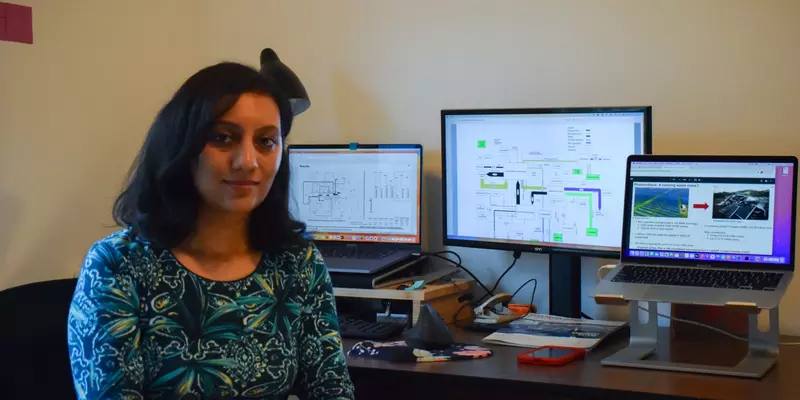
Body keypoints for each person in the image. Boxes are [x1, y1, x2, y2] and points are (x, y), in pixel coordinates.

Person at [66, 62, 355, 400]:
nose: (248, 161)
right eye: (223, 137)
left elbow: (331, 389)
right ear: (182, 146)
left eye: (265, 141)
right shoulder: (118, 264)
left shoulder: (296, 263)